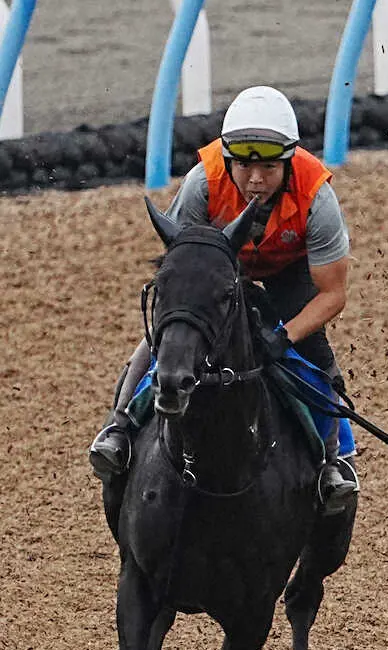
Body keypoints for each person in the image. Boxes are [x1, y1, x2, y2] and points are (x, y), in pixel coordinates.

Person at [89, 85, 358, 514]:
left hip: (288, 272)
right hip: (216, 262)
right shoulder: (201, 183)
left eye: (268, 168)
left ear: (289, 163)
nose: (255, 179)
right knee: (170, 337)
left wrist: (282, 338)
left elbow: (333, 294)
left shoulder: (317, 196)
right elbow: (178, 267)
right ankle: (118, 429)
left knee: (317, 357)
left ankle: (333, 464)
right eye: (243, 166)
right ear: (227, 159)